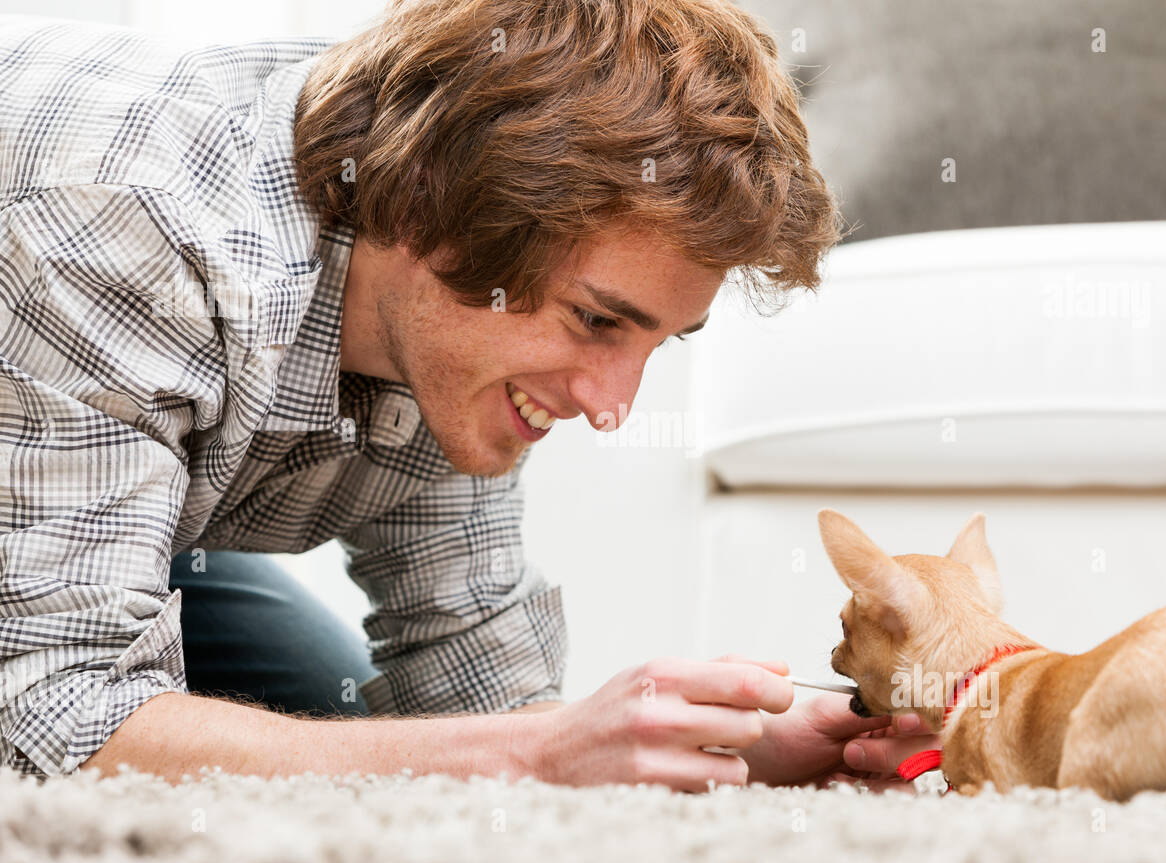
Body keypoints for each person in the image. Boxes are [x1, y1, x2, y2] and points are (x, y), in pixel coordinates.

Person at [0, 1, 936, 790]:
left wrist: (729, 750)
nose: (612, 406)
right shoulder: (126, 225)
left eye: (660, 339)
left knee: (333, 735)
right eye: (599, 321)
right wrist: (536, 754)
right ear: (428, 211)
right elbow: (54, 726)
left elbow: (470, 682)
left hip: (114, 529)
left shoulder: (446, 325)